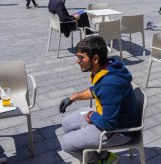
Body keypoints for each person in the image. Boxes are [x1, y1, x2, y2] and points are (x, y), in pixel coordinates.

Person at [58, 35, 139, 163]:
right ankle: (104, 155)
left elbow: (109, 124)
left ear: (95, 59)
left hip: (120, 130)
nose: (77, 61)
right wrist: (72, 98)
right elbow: (96, 90)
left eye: (81, 57)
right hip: (108, 116)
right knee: (67, 123)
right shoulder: (108, 66)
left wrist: (92, 116)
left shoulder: (110, 84)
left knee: (66, 144)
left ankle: (98, 161)